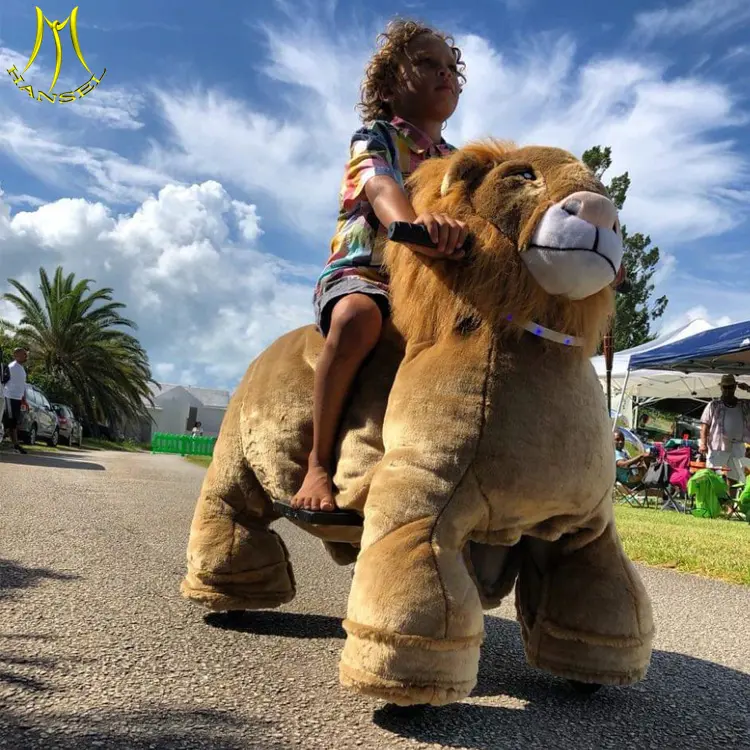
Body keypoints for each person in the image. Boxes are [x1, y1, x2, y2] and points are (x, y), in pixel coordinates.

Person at [292, 19, 468, 512]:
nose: (445, 74)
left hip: (431, 285)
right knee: (357, 318)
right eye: (428, 64)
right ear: (391, 85)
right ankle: (318, 463)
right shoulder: (376, 137)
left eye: (451, 67)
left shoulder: (462, 160)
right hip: (366, 272)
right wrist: (409, 226)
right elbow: (381, 187)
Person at [699, 374, 750, 483]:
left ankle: (731, 500)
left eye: (730, 387)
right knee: (713, 476)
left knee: (735, 477)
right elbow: (704, 425)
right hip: (717, 446)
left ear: (735, 387)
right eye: (725, 387)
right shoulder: (713, 405)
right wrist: (703, 444)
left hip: (738, 446)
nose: (727, 390)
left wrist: (748, 389)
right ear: (721, 388)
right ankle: (714, 499)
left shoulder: (744, 404)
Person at [3, 347, 28, 454]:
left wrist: (24, 399)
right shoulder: (11, 367)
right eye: (24, 354)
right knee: (9, 422)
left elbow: (22, 385)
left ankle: (15, 445)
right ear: (16, 355)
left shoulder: (21, 368)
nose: (26, 356)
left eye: (26, 354)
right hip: (9, 397)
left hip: (18, 398)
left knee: (14, 422)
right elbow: (4, 381)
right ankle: (15, 445)